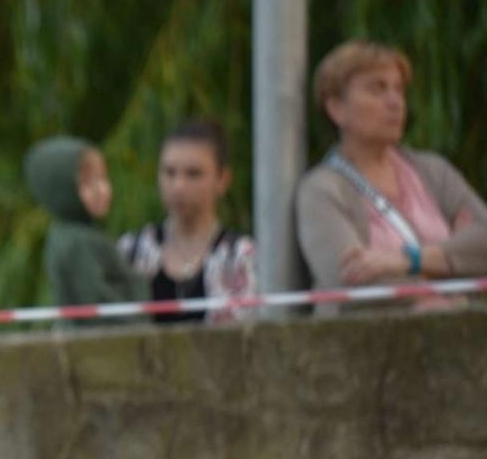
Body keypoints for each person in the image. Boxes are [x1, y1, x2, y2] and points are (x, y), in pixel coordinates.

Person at [295, 39, 487, 289]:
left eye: (399, 90)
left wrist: (406, 261)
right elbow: (351, 279)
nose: (395, 103)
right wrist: (455, 259)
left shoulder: (433, 171)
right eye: (378, 89)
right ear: (336, 108)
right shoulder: (321, 190)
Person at [117, 120, 258, 323]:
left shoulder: (242, 257)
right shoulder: (131, 251)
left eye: (194, 174)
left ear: (223, 180)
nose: (178, 186)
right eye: (169, 172)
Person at [25, 135, 147, 312]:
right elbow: (96, 301)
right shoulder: (76, 242)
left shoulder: (83, 234)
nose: (101, 190)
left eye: (103, 178)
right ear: (61, 189)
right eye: (87, 183)